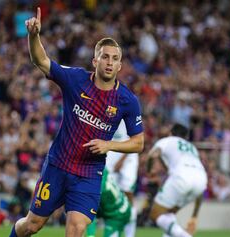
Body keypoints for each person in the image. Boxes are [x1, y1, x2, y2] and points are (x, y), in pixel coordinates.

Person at [9, 7, 144, 237]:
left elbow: (138, 143)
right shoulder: (76, 79)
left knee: (77, 229)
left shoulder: (127, 100)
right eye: (105, 57)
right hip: (58, 166)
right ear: (95, 60)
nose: (110, 62)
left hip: (89, 174)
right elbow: (40, 60)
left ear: (120, 65)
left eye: (115, 59)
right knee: (32, 225)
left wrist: (108, 145)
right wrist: (34, 35)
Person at [147, 124, 207, 237]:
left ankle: (184, 235)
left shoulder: (167, 141)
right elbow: (199, 189)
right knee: (169, 214)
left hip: (181, 178)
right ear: (186, 137)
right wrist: (194, 216)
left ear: (171, 133)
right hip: (201, 179)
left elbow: (153, 155)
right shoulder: (192, 148)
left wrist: (149, 170)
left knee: (155, 214)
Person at [105, 120, 139, 237]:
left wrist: (122, 160)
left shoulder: (128, 105)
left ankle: (130, 234)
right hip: (111, 153)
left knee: (128, 194)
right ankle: (114, 231)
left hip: (128, 154)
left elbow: (136, 138)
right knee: (111, 194)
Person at [86, 169, 131, 237]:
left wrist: (90, 235)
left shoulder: (97, 189)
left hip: (119, 212)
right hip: (116, 203)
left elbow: (91, 212)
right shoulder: (101, 168)